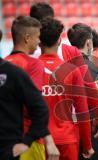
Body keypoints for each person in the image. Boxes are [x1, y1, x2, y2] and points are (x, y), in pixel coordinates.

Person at [39, 17, 94, 160]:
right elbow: (82, 110)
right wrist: (87, 144)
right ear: (59, 41)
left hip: (39, 141)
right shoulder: (72, 70)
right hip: (67, 139)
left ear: (39, 41)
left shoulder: (29, 70)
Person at [5, 16, 59, 160]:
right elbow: (35, 107)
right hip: (29, 140)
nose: (39, 42)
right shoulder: (33, 64)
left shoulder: (4, 64)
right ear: (27, 37)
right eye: (37, 37)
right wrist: (48, 140)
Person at [68, 23, 98, 160]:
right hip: (88, 130)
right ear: (88, 43)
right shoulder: (88, 65)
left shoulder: (64, 65)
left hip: (69, 131)